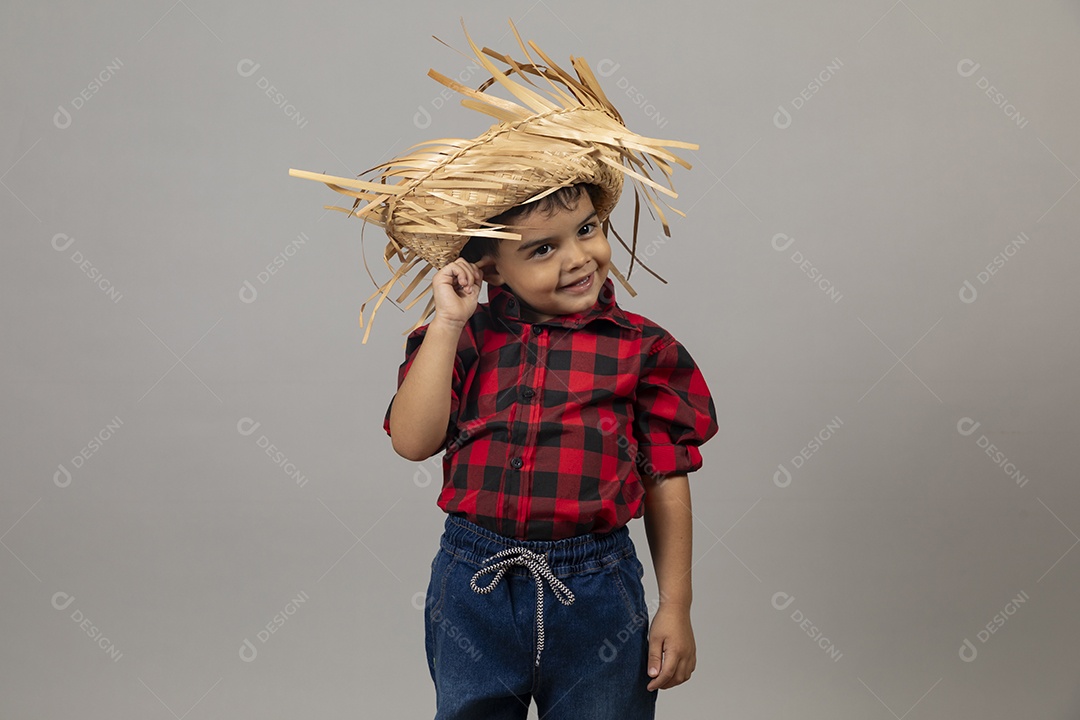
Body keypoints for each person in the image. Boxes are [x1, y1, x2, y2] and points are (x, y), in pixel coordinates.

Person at [291, 21, 718, 718]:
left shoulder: (643, 350)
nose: (578, 256)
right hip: (474, 585)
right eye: (543, 249)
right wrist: (451, 322)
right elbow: (412, 441)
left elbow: (665, 479)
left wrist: (676, 606)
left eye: (587, 229)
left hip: (599, 590)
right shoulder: (456, 340)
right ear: (492, 267)